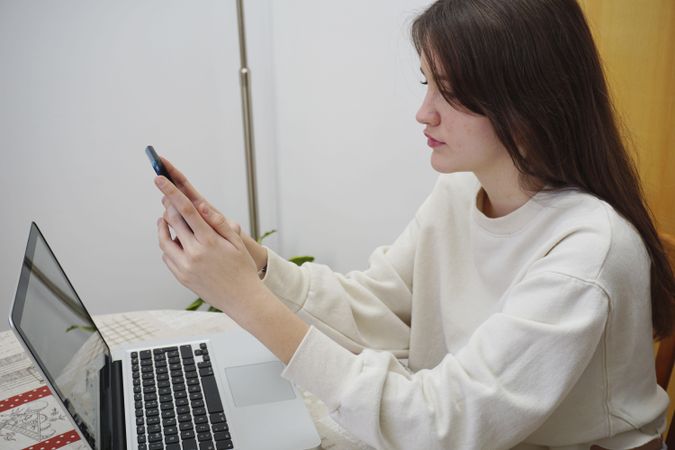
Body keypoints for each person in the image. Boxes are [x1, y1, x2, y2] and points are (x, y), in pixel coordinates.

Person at [153, 0, 675, 448]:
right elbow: (379, 309)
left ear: (527, 100)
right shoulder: (460, 193)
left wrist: (245, 299)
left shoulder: (586, 254)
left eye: (447, 92)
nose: (424, 113)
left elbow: (438, 427)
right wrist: (255, 264)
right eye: (427, 84)